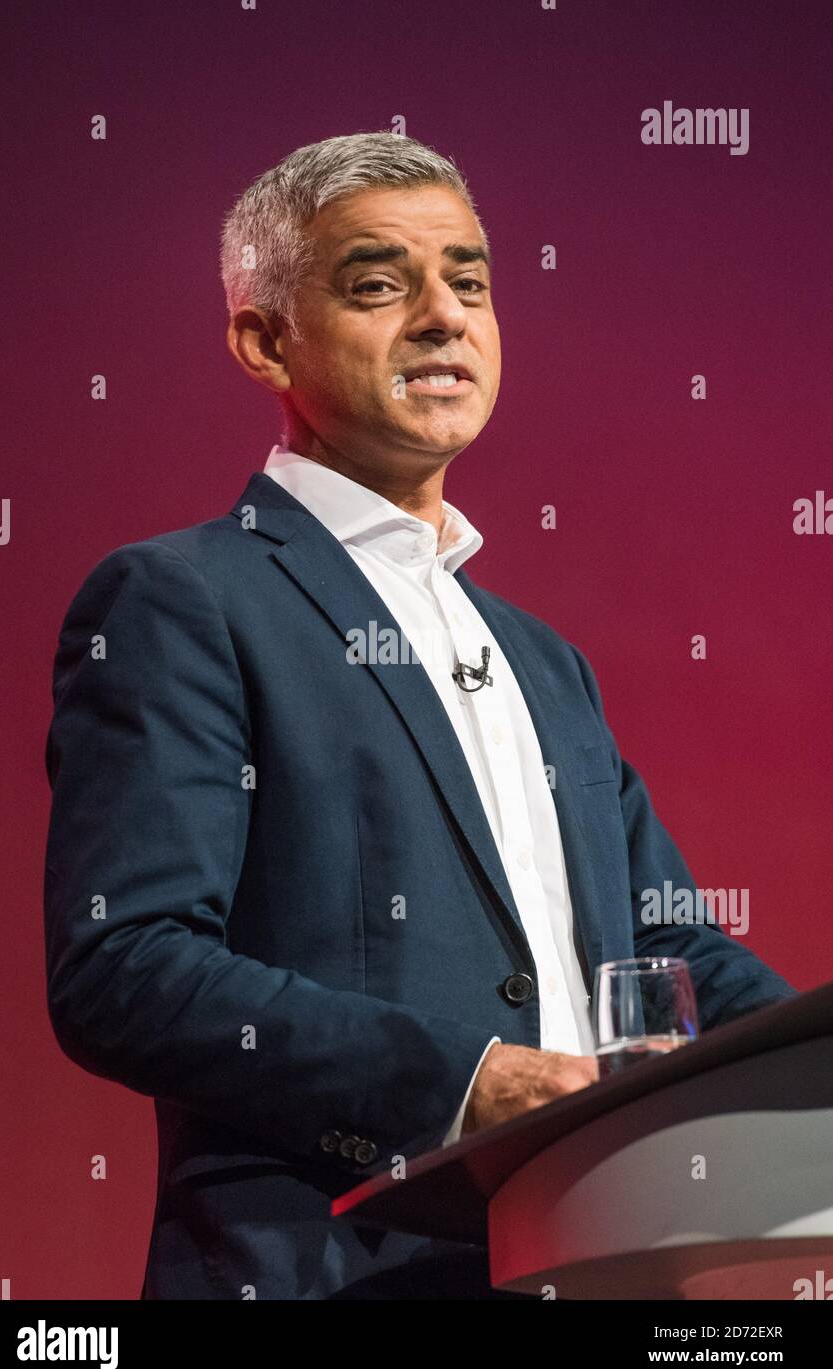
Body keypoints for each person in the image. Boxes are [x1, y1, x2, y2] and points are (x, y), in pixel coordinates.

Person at [43, 131, 796, 1301]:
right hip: (327, 1275)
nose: (446, 317)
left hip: (593, 1268)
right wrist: (469, 1083)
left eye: (471, 282)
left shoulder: (544, 661)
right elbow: (126, 968)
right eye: (381, 285)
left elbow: (670, 954)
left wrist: (815, 1068)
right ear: (263, 339)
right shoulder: (182, 598)